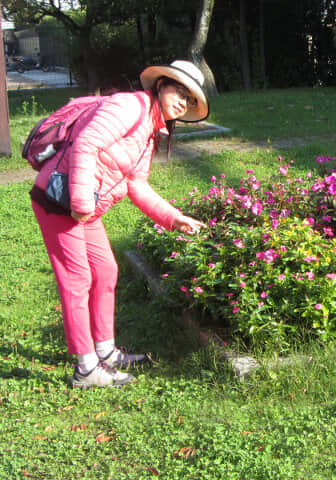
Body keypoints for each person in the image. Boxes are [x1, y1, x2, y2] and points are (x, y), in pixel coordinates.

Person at [30, 60, 209, 388]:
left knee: (106, 271)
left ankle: (106, 352)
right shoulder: (129, 106)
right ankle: (86, 369)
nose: (183, 101)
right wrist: (82, 203)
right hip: (60, 200)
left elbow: (136, 185)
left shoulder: (149, 131)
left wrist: (173, 217)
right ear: (161, 85)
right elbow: (86, 143)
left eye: (190, 99)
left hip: (83, 209)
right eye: (178, 91)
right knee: (77, 278)